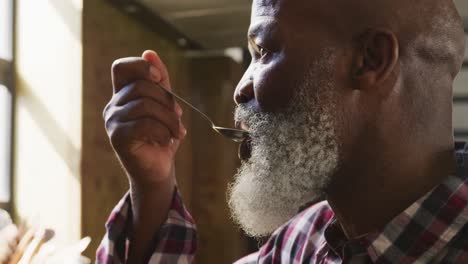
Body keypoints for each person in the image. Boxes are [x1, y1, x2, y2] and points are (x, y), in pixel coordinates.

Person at [96, 0, 468, 262]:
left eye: (264, 51)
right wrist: (152, 186)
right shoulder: (300, 244)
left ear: (369, 60)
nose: (241, 88)